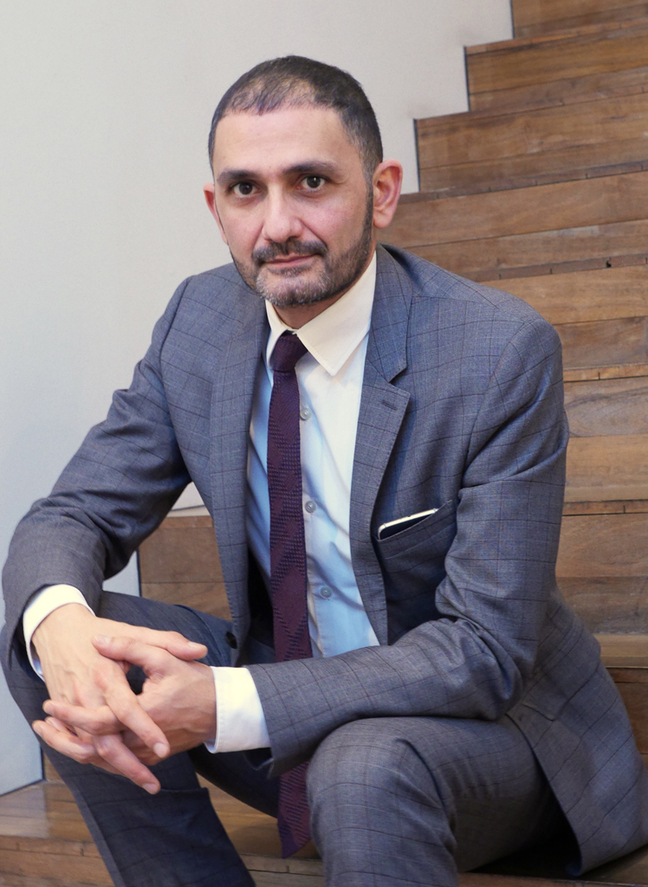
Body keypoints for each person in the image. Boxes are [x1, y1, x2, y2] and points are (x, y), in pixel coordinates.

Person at [2, 55, 648, 887]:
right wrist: (62, 632)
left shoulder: (495, 351)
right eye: (245, 189)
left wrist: (227, 702)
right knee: (52, 636)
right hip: (292, 715)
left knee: (363, 764)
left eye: (311, 182)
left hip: (488, 737)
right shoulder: (199, 323)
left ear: (381, 192)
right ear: (215, 207)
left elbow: (484, 651)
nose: (278, 225)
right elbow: (70, 516)